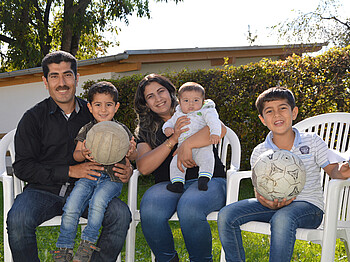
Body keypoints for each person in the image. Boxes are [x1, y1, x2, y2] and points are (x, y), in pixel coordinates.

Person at [8, 51, 132, 262]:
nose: (62, 82)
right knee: (18, 218)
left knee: (120, 215)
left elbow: (118, 143)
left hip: (88, 189)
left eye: (67, 75)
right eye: (54, 76)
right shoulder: (32, 118)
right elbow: (22, 167)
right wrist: (69, 170)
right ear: (45, 82)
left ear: (76, 78)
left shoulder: (95, 111)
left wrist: (126, 166)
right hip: (42, 191)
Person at [217, 87, 350, 262]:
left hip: (309, 207)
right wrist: (268, 203)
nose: (277, 115)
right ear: (262, 119)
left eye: (282, 108)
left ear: (294, 112)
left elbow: (332, 170)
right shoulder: (260, 152)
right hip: (270, 205)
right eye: (269, 111)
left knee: (282, 218)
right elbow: (259, 191)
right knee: (226, 215)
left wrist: (343, 170)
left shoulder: (312, 141)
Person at [134, 73, 227, 262]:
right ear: (146, 103)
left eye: (161, 91)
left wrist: (187, 145)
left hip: (208, 179)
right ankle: (167, 259)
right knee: (150, 209)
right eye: (150, 96)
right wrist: (174, 139)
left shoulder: (194, 107)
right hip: (169, 185)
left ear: (170, 92)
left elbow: (220, 129)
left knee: (190, 208)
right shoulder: (145, 130)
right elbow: (143, 167)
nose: (158, 98)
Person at [51, 81, 137, 261]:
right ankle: (64, 247)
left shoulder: (122, 131)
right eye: (98, 104)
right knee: (71, 206)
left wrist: (131, 152)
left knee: (98, 203)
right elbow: (76, 155)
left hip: (111, 179)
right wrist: (83, 153)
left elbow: (133, 155)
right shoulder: (87, 130)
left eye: (108, 104)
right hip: (88, 176)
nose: (103, 109)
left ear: (116, 107)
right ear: (90, 107)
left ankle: (86, 245)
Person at [162, 82, 221, 193]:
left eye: (196, 100)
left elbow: (214, 122)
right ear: (179, 102)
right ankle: (177, 183)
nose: (191, 104)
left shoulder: (205, 111)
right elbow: (169, 123)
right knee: (175, 164)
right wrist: (167, 129)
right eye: (186, 101)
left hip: (202, 146)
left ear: (203, 102)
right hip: (181, 150)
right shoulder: (178, 114)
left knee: (207, 158)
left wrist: (215, 133)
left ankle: (203, 179)